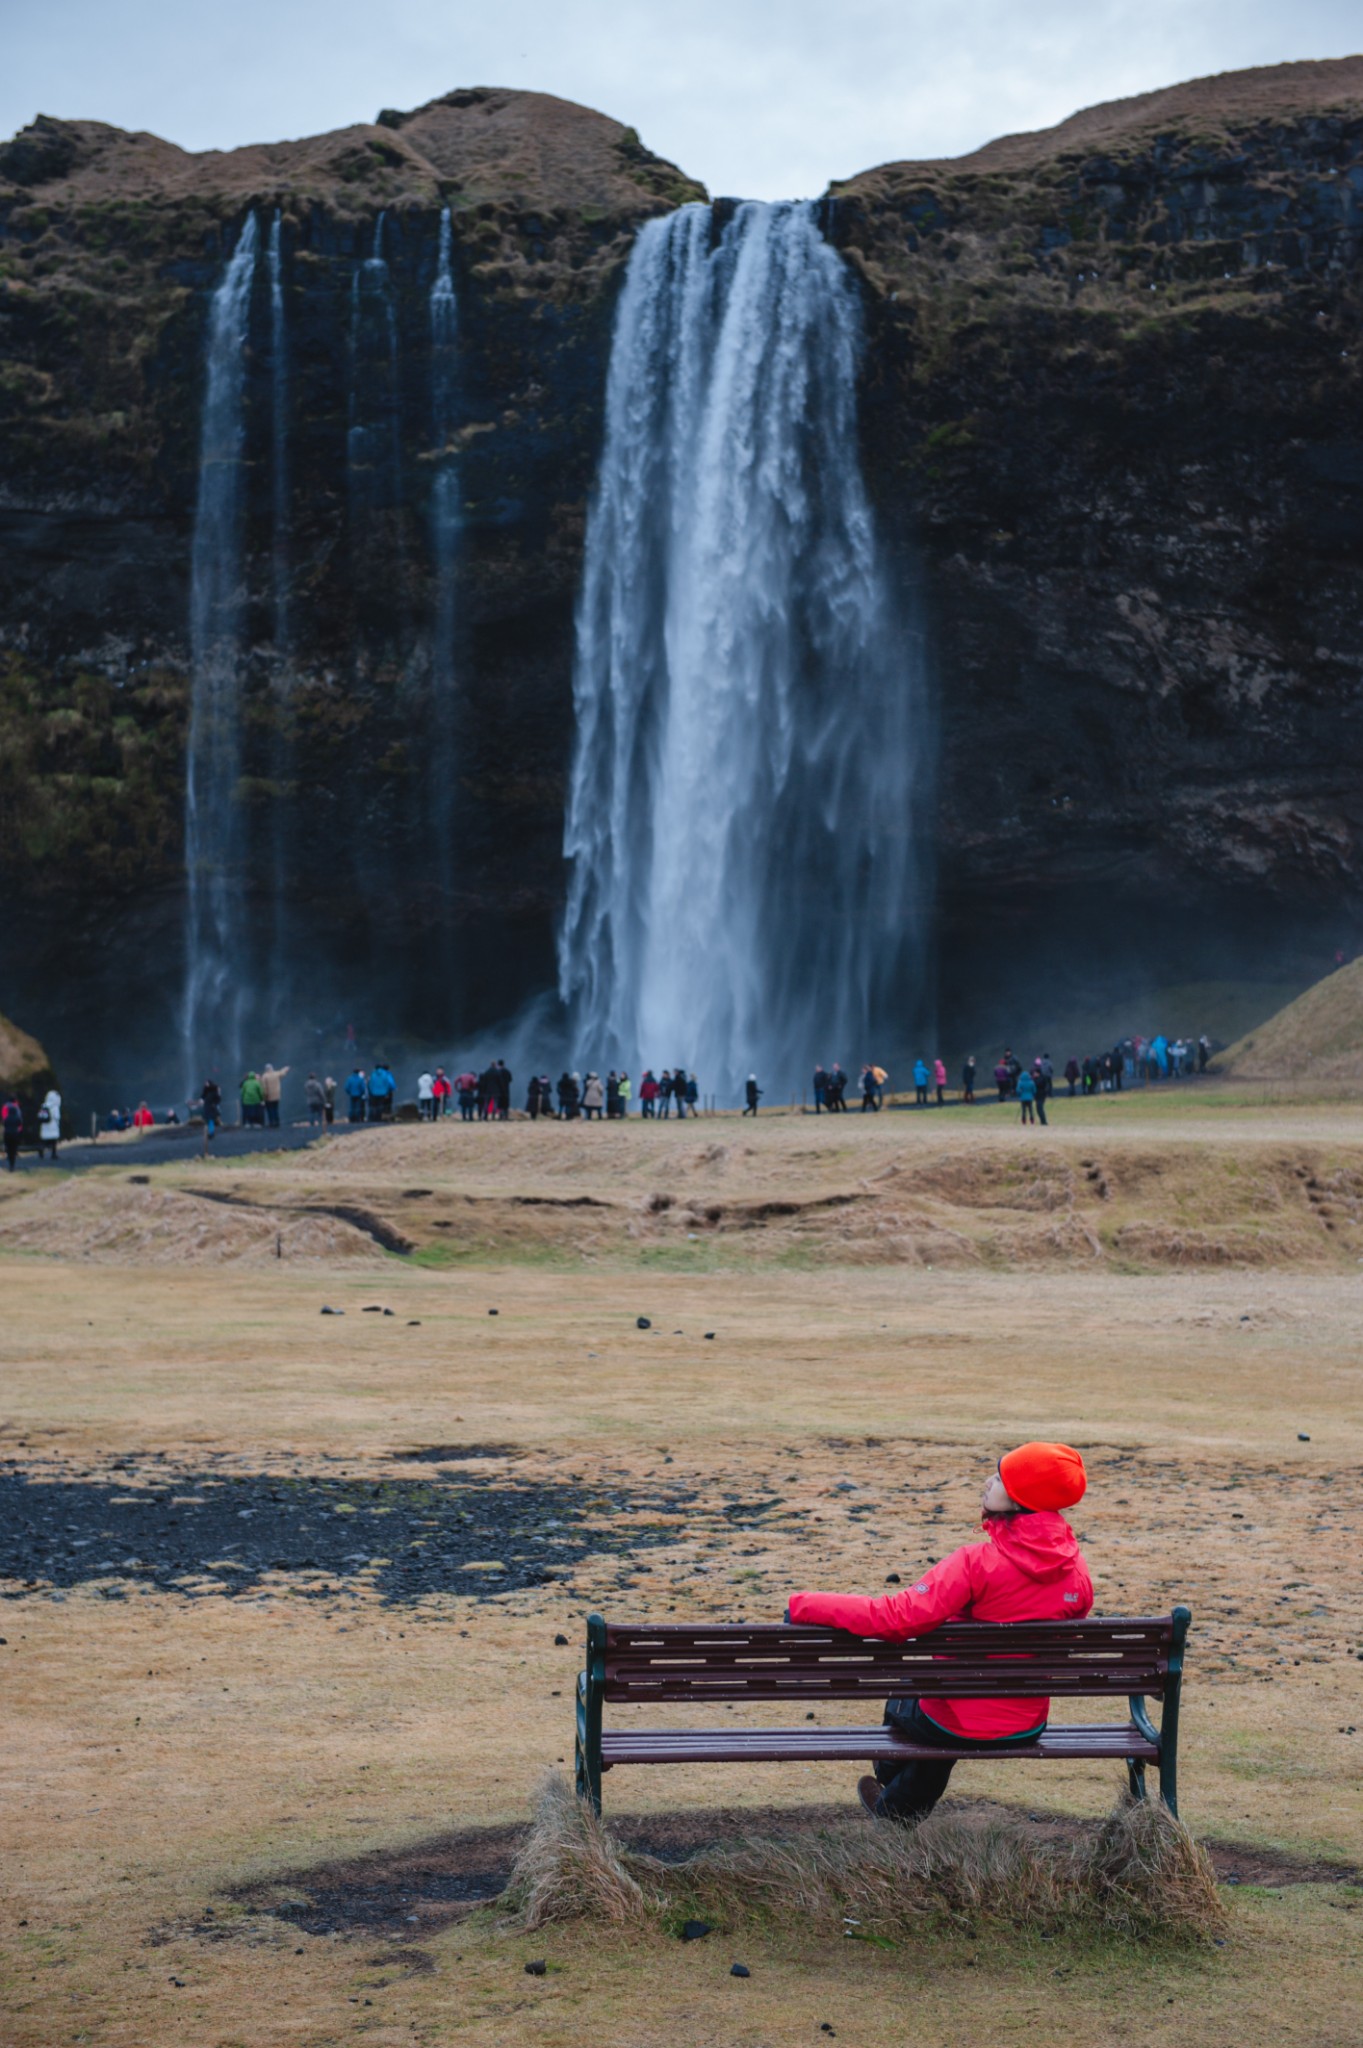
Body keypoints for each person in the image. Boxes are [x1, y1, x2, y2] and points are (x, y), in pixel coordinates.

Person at [788, 1442, 1091, 1823]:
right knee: (944, 1712)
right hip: (1027, 1726)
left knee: (915, 1703)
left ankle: (893, 1797)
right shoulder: (1076, 1572)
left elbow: (895, 1619)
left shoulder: (976, 1563)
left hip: (952, 1721)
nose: (987, 1481)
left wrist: (806, 1605)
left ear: (1020, 1500)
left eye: (999, 1478)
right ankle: (896, 1807)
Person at [260, 1062, 290, 1128]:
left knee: (270, 1110)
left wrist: (264, 1096)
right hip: (277, 1096)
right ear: (272, 1068)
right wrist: (285, 1069)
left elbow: (264, 1087)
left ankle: (271, 1122)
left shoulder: (264, 1076)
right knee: (276, 1109)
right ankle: (277, 1122)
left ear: (266, 1069)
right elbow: (282, 1073)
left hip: (269, 1097)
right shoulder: (276, 1074)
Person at [37, 1086, 62, 1162]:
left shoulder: (44, 1105)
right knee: (54, 1141)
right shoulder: (55, 1107)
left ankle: (41, 1149)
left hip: (45, 1126)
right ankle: (53, 1154)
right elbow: (57, 1117)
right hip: (53, 1126)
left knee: (45, 1140)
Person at [2, 1092, 23, 1171]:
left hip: (8, 1133)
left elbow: (4, 1118)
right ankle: (12, 1161)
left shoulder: (5, 1106)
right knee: (14, 1147)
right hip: (15, 1132)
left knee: (9, 1147)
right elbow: (20, 1119)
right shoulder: (16, 1106)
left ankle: (9, 1156)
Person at [201, 1077, 222, 1141]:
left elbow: (218, 1099)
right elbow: (202, 1097)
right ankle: (209, 1133)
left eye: (207, 1083)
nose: (206, 1084)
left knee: (210, 1120)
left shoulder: (214, 1091)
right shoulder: (206, 1091)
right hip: (207, 1107)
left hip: (211, 1108)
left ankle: (211, 1133)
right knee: (208, 1121)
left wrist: (214, 1104)